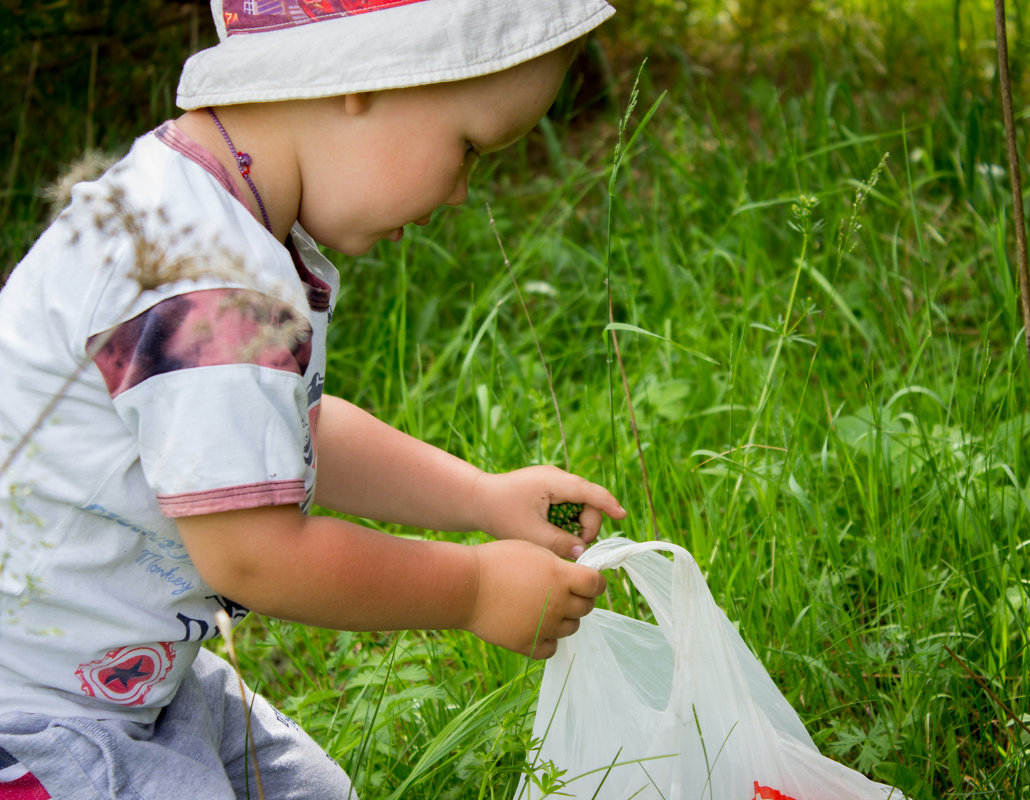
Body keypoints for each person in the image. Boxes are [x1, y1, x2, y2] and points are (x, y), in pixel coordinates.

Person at [0, 1, 624, 797]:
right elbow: (257, 554)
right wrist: (473, 590)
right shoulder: (209, 282)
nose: (464, 191)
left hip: (125, 678)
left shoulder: (196, 211)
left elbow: (282, 439)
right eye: (468, 148)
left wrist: (482, 497)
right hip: (42, 726)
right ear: (364, 79)